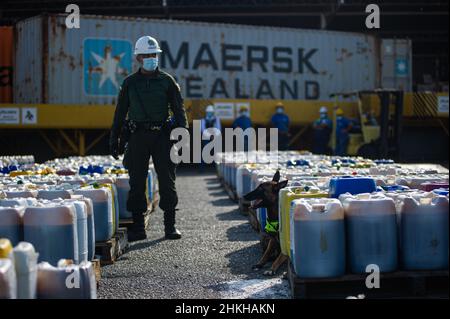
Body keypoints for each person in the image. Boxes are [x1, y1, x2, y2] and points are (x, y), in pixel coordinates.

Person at [109, 35, 188, 241]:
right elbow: (120, 113)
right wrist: (114, 138)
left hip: (162, 136)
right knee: (136, 182)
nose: (152, 58)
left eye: (154, 54)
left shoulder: (167, 81)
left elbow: (179, 111)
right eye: (147, 55)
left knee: (167, 181)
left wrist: (183, 135)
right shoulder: (129, 83)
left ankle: (170, 227)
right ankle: (138, 227)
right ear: (138, 58)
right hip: (137, 137)